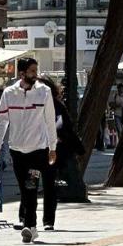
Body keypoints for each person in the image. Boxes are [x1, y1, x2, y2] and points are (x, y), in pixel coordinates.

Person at [0, 57, 58, 244]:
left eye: (36, 71)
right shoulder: (9, 93)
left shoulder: (44, 92)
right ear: (21, 74)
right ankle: (31, 226)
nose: (35, 75)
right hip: (17, 149)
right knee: (24, 188)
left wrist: (52, 148)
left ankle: (30, 226)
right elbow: (1, 121)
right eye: (32, 71)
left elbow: (50, 121)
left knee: (31, 186)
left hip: (38, 150)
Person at [36, 77, 84, 229]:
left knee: (49, 186)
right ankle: (25, 218)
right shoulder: (30, 106)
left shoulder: (58, 107)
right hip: (33, 151)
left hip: (52, 152)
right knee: (29, 186)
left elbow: (66, 128)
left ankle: (48, 221)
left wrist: (63, 139)